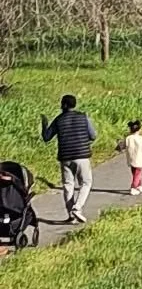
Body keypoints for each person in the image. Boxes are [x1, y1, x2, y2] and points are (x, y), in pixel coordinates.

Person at [41, 94, 96, 223]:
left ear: (63, 105)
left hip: (65, 157)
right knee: (86, 183)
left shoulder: (58, 119)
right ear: (74, 104)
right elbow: (93, 136)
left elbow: (46, 137)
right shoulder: (83, 117)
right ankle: (77, 208)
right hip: (82, 156)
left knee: (68, 185)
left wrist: (44, 125)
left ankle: (71, 215)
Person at [116, 120, 142, 196]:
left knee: (135, 173)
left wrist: (119, 147)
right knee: (137, 174)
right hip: (139, 160)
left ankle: (139, 185)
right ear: (139, 129)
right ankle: (133, 188)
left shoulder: (128, 138)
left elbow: (121, 146)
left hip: (131, 159)